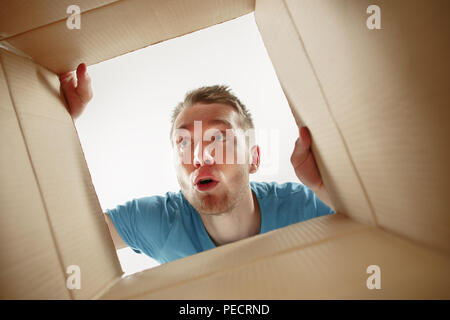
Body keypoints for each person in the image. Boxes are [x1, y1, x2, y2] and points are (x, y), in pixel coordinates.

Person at [59, 63, 335, 264]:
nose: (201, 156)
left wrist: (326, 189)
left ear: (254, 158)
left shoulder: (305, 206)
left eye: (218, 138)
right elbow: (61, 243)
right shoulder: (158, 222)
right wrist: (56, 119)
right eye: (184, 142)